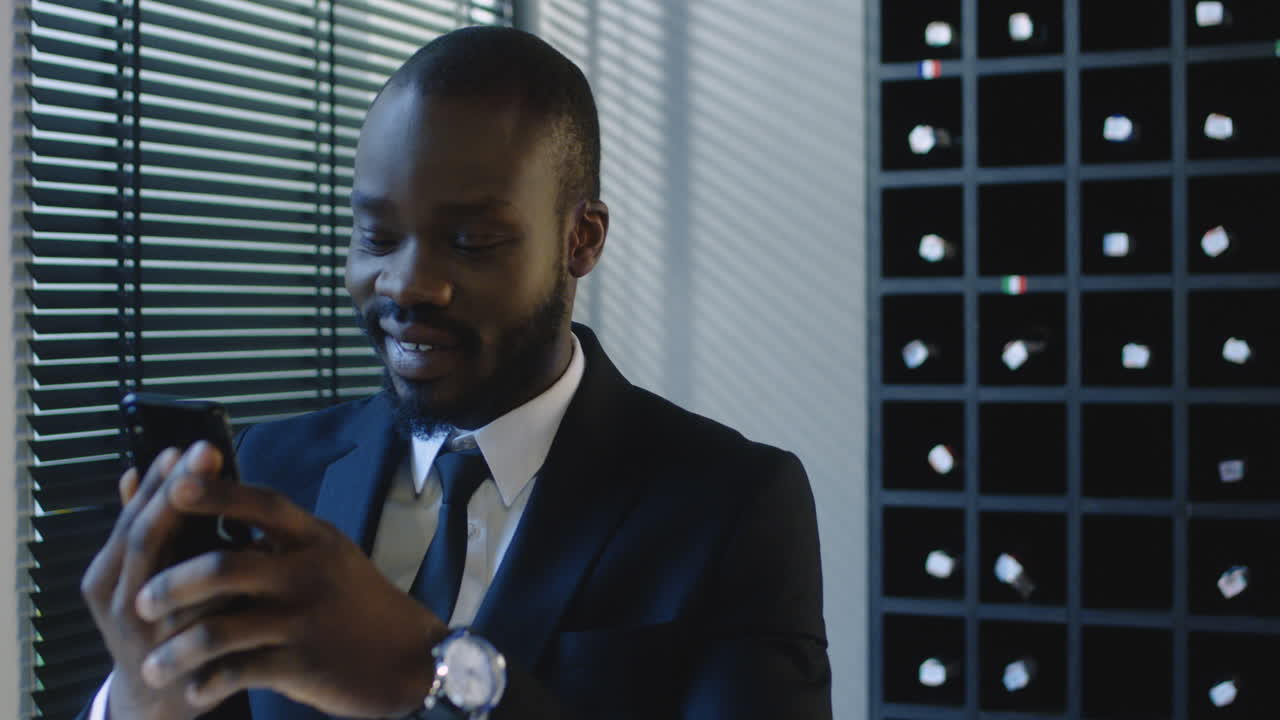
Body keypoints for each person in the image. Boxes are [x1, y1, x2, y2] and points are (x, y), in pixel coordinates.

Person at [78, 26, 831, 720]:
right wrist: (141, 701)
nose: (407, 285)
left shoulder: (730, 506)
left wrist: (431, 670)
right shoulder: (271, 472)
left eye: (470, 243)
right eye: (377, 236)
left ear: (582, 239)